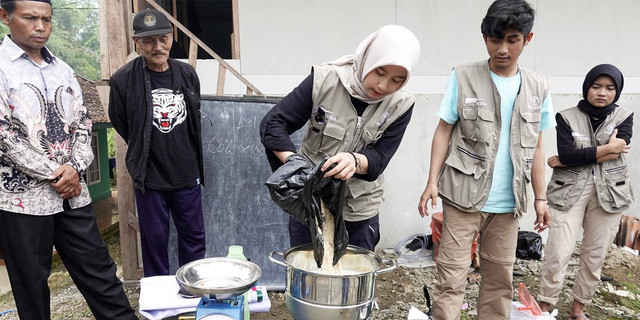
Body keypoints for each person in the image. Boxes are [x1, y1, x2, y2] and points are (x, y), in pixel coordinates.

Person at [416, 0, 555, 318]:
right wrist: (431, 182)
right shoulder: (464, 77)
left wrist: (541, 198)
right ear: (485, 38)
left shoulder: (538, 87)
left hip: (508, 206)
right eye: (495, 40)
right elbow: (443, 131)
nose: (502, 48)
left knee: (499, 281)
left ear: (527, 39)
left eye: (512, 39)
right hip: (463, 198)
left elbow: (536, 148)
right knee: (450, 278)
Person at [0, 1, 136, 319]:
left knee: (100, 274)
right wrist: (56, 172)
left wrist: (74, 168)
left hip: (73, 197)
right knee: (31, 286)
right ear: (5, 16)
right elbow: (4, 136)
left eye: (46, 19)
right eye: (31, 18)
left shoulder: (62, 69)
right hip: (23, 201)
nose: (40, 26)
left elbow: (84, 125)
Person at [260, 25, 420, 251]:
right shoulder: (324, 80)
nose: (384, 86)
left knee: (353, 281)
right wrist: (296, 166)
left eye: (397, 80)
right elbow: (273, 124)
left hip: (359, 211)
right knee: (308, 277)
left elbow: (381, 157)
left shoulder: (401, 104)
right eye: (380, 72)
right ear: (366, 59)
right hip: (310, 203)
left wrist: (354, 161)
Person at [108, 9, 206, 277]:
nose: (158, 47)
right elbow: (120, 122)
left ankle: (194, 292)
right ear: (136, 41)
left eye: (163, 39)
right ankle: (161, 306)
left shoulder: (187, 74)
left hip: (187, 176)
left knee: (194, 241)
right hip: (150, 180)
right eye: (149, 41)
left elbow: (193, 121)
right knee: (154, 243)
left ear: (172, 38)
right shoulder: (123, 80)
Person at [537, 64, 633, 320]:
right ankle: (545, 305)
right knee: (558, 250)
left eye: (610, 88)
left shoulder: (624, 116)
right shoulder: (566, 117)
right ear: (587, 87)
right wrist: (600, 152)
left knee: (595, 252)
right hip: (569, 191)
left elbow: (619, 148)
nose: (603, 93)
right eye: (597, 86)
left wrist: (570, 159)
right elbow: (573, 152)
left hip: (610, 192)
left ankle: (578, 309)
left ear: (617, 91)